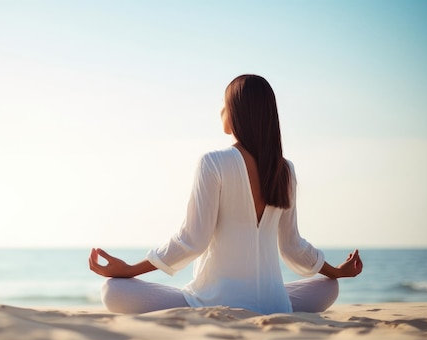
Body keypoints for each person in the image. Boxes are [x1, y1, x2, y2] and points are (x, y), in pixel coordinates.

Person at [88, 74, 363, 315]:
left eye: (224, 104)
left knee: (112, 290)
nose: (221, 110)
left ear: (238, 112)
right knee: (329, 287)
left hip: (214, 303)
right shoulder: (285, 170)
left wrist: (130, 270)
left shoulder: (214, 162)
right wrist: (337, 272)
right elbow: (293, 247)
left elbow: (192, 240)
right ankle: (272, 299)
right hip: (275, 304)